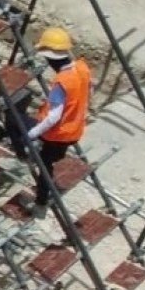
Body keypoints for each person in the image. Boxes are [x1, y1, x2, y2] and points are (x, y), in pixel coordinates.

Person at [26, 27, 93, 205]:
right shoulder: (82, 69)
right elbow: (87, 93)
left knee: (44, 165)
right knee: (54, 159)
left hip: (58, 134)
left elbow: (54, 117)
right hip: (74, 130)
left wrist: (31, 134)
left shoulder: (62, 82)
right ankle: (51, 181)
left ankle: (40, 200)